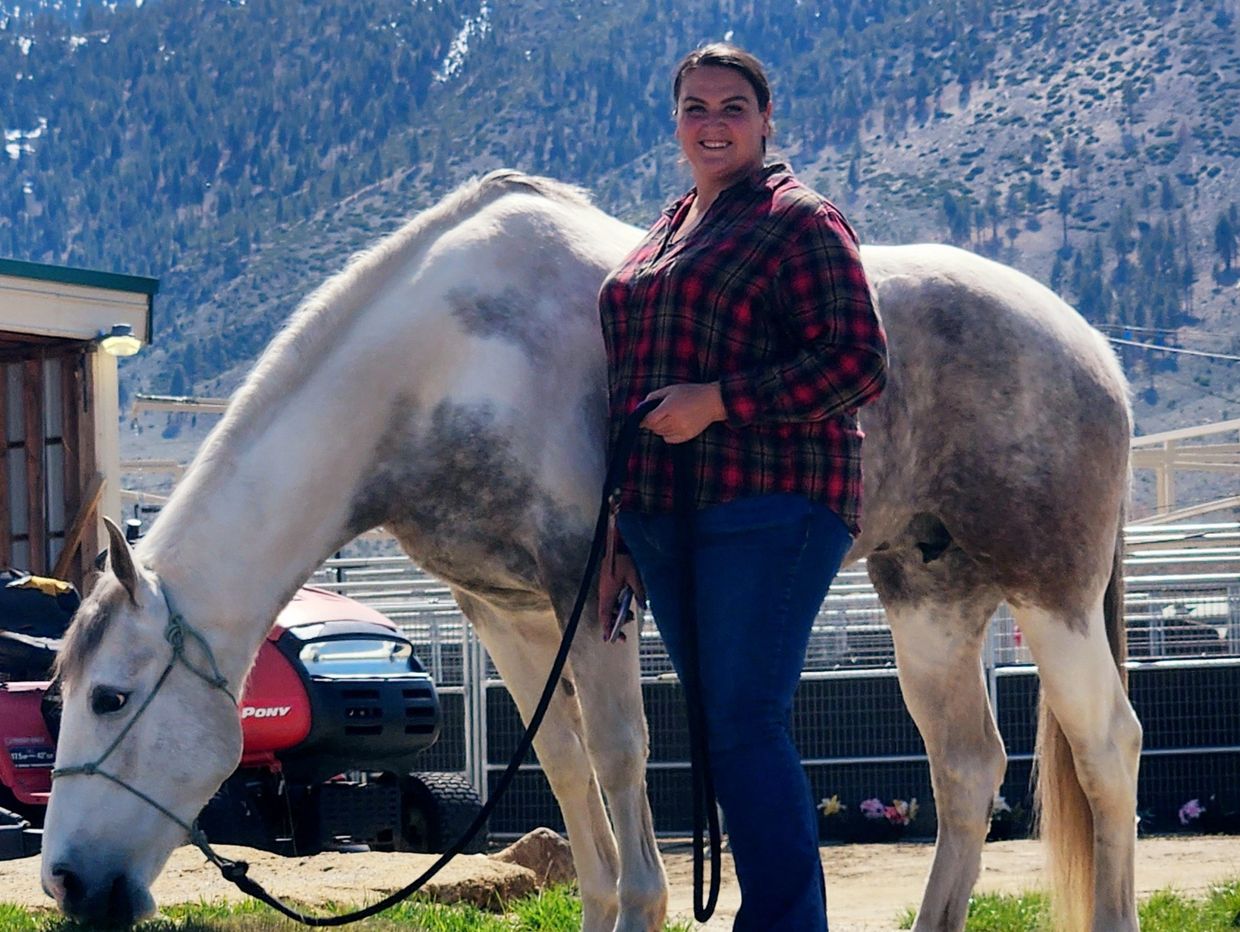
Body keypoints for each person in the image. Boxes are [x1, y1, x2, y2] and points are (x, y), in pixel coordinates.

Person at [596, 43, 888, 930]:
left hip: (771, 504)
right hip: (661, 510)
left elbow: (858, 363)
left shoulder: (801, 220)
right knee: (725, 728)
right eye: (695, 107)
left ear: (766, 120)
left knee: (745, 724)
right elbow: (636, 380)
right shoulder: (674, 221)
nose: (712, 122)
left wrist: (720, 401)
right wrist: (615, 526)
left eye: (732, 107)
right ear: (675, 120)